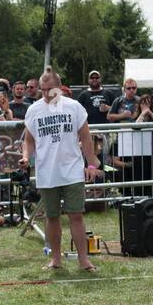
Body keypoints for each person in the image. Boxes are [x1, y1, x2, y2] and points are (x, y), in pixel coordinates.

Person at [20, 70, 101, 272]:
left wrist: (91, 164)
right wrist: (25, 156)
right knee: (52, 216)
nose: (46, 93)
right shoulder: (34, 110)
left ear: (60, 86)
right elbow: (28, 140)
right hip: (47, 172)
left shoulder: (74, 107)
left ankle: (84, 260)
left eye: (50, 89)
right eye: (43, 90)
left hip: (72, 170)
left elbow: (86, 137)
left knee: (76, 215)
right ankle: (55, 259)